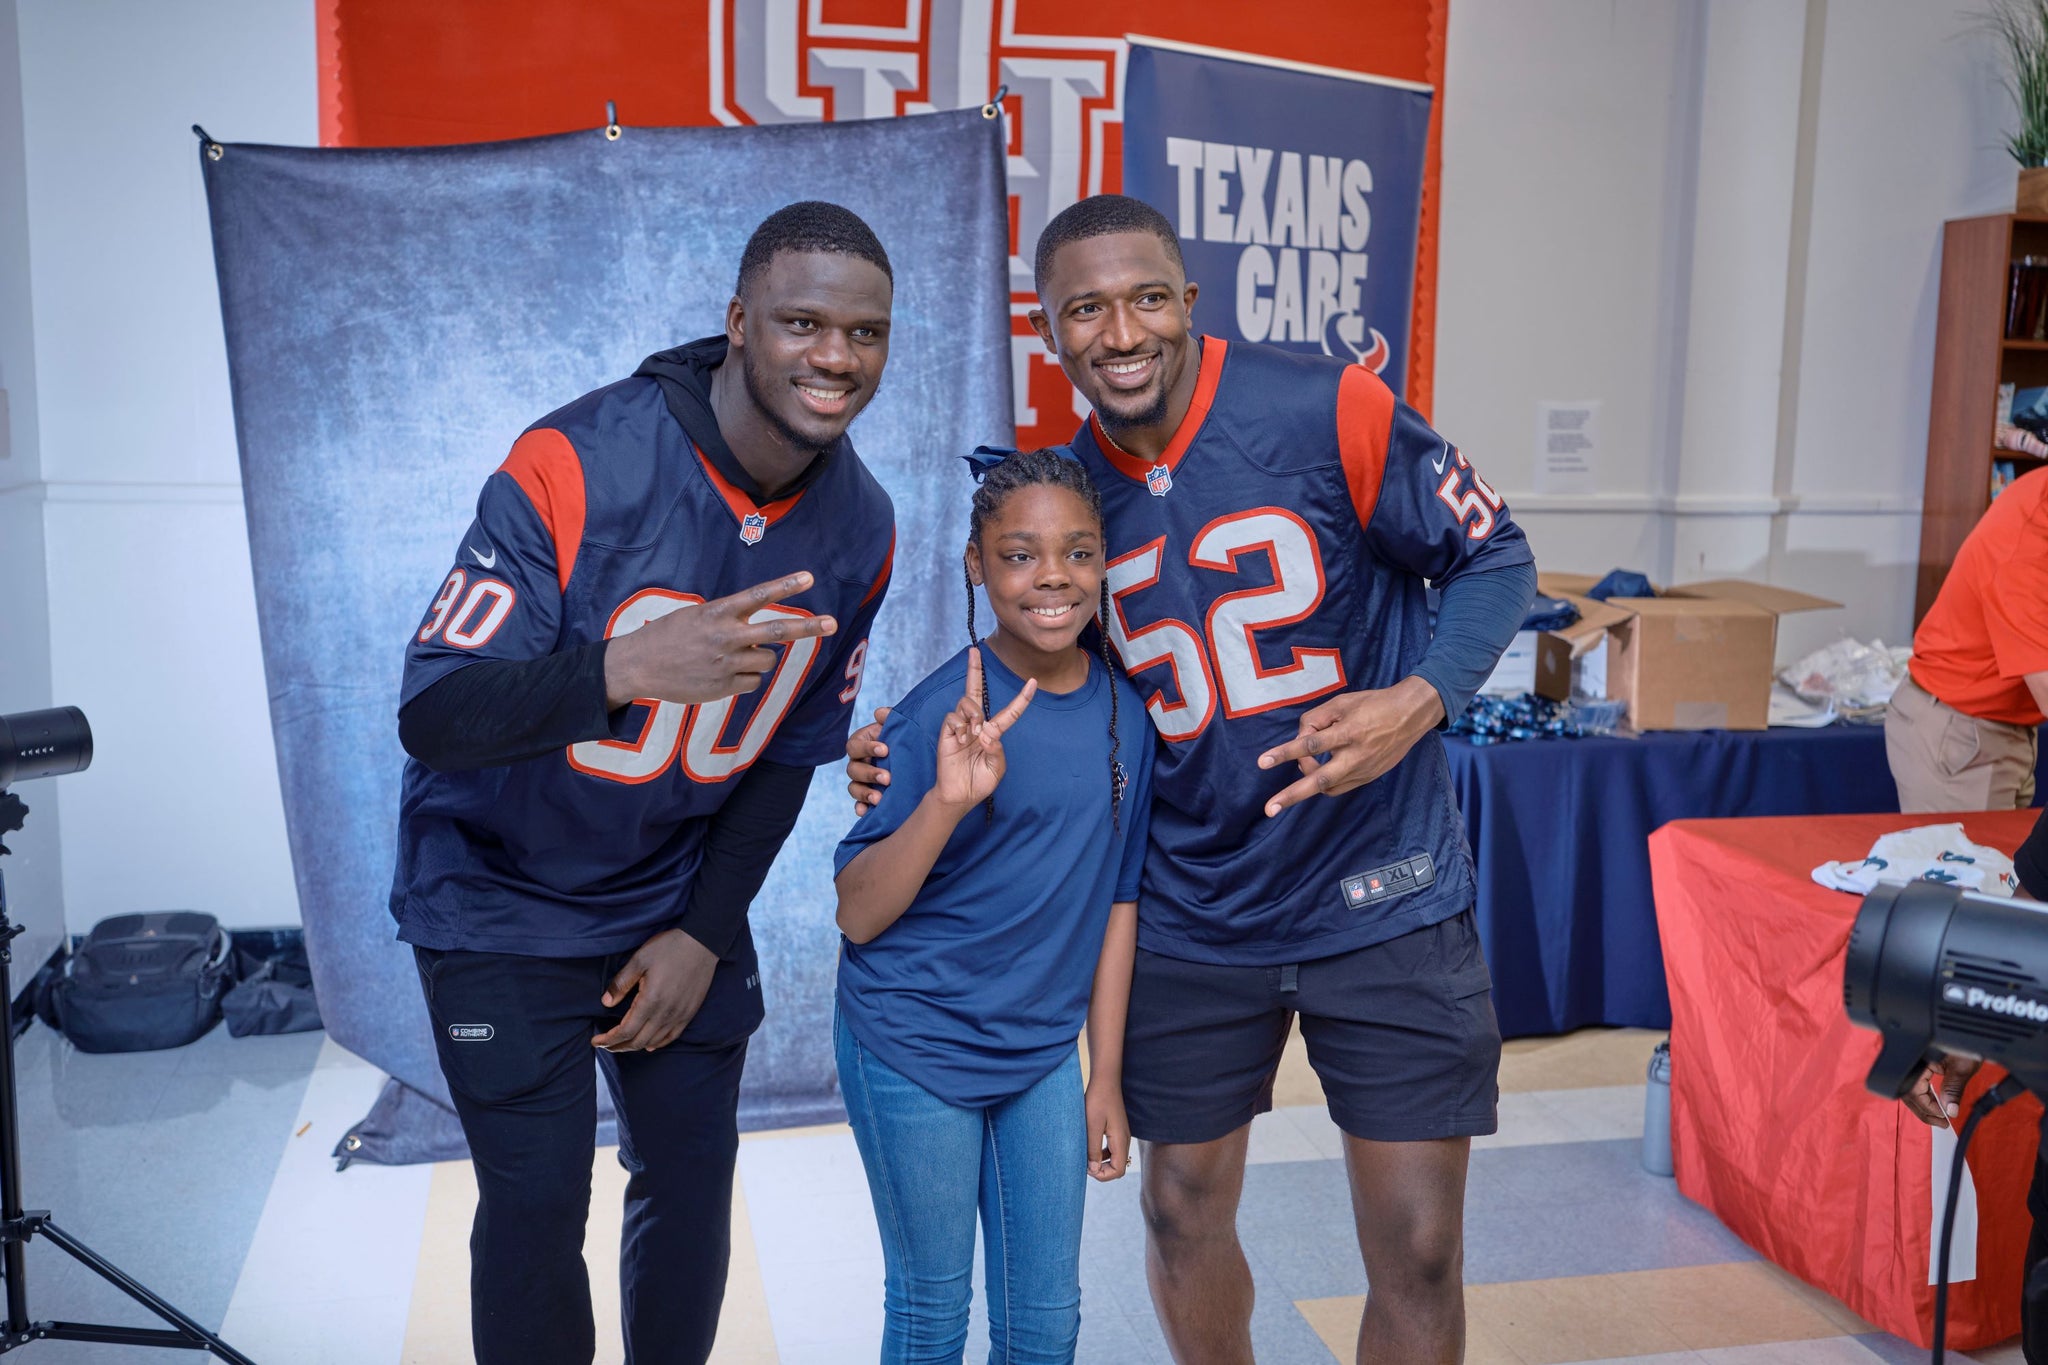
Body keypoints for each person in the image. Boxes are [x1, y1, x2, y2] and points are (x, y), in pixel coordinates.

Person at [849, 195, 1536, 1364]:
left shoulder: (1329, 405)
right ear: (1048, 330)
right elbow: (1027, 646)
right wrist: (900, 741)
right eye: (1084, 309)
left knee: (1418, 1244)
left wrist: (1415, 702)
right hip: (1191, 906)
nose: (1120, 333)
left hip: (1381, 885)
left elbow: (1493, 557)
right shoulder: (1063, 489)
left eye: (1145, 298)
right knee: (1176, 1211)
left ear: (1187, 303)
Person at [389, 201, 897, 1365]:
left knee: (690, 1186)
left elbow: (786, 750)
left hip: (669, 900)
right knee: (532, 1207)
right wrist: (623, 666)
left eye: (864, 333)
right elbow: (434, 714)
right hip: (500, 899)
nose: (834, 356)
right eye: (802, 322)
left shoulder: (860, 522)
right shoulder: (572, 464)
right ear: (735, 323)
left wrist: (703, 934)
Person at [831, 449, 1152, 1364]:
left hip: (1040, 1052)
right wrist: (945, 798)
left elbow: (1117, 902)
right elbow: (857, 912)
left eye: (1078, 552)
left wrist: (1106, 1074)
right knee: (933, 1314)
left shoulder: (1128, 716)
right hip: (913, 1042)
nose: (1052, 576)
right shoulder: (940, 713)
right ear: (977, 564)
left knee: (1044, 1323)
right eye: (1019, 554)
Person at [1885, 464, 2048, 813]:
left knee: (2008, 863)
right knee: (1975, 865)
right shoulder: (2030, 545)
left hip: (2007, 726)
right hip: (1962, 736)